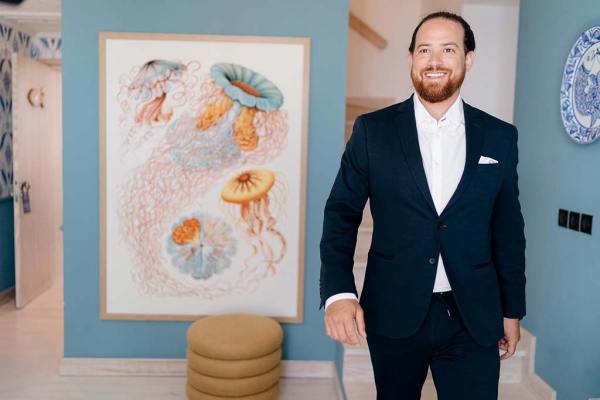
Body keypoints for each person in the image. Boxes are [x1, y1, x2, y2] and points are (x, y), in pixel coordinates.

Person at [319, 11, 526, 399]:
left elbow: (508, 230)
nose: (434, 61)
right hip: (393, 310)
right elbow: (341, 215)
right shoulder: (372, 131)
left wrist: (511, 310)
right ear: (411, 58)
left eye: (448, 49)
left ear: (468, 59)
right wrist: (338, 293)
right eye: (424, 50)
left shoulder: (500, 137)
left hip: (474, 316)